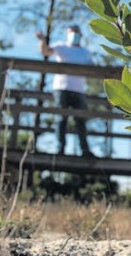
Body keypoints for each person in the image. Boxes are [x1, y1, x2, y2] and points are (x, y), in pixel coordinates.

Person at [35, 25, 95, 158]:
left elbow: (93, 69)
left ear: (80, 35)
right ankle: (60, 149)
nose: (73, 35)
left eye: (76, 33)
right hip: (61, 88)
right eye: (71, 32)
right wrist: (42, 40)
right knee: (61, 119)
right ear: (67, 34)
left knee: (81, 120)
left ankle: (85, 151)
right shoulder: (62, 47)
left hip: (79, 90)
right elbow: (46, 51)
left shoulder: (86, 52)